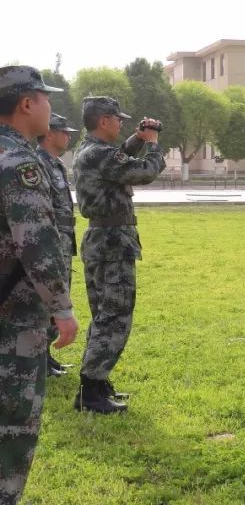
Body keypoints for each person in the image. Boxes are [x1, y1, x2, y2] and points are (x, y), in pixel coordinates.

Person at [0, 66, 78, 502]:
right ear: (26, 103)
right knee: (12, 425)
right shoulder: (20, 163)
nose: (51, 106)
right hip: (12, 319)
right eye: (45, 98)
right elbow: (36, 242)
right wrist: (61, 308)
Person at [72, 96, 165, 413]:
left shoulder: (92, 152)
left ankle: (97, 384)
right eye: (117, 119)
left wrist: (137, 138)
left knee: (104, 315)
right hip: (112, 243)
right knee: (114, 317)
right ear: (103, 121)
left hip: (103, 240)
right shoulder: (99, 154)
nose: (121, 123)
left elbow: (120, 157)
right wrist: (152, 144)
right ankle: (90, 392)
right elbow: (144, 172)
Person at [36, 113, 80, 378]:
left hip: (63, 238)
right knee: (46, 299)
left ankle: (46, 357)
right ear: (50, 133)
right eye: (64, 131)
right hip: (51, 239)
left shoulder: (56, 164)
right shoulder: (38, 163)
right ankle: (39, 358)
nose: (69, 136)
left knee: (59, 294)